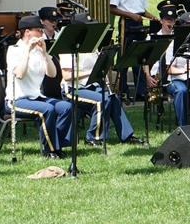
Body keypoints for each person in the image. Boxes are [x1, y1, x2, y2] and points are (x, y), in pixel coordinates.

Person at [58, 14, 141, 146]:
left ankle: (127, 136)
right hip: (73, 89)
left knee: (113, 98)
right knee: (102, 100)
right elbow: (67, 75)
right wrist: (91, 73)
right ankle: (93, 137)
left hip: (90, 86)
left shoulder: (92, 45)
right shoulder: (69, 47)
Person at [5, 15, 73, 159]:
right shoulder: (14, 50)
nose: (42, 34)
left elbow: (53, 74)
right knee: (47, 110)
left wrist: (45, 54)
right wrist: (28, 52)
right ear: (27, 32)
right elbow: (20, 74)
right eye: (39, 30)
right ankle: (50, 150)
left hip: (36, 97)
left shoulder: (39, 51)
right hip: (16, 100)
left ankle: (58, 145)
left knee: (66, 107)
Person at [145, 5, 190, 127]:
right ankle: (183, 125)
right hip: (177, 79)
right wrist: (183, 70)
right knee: (181, 90)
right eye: (188, 25)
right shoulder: (174, 42)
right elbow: (167, 69)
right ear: (182, 26)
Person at [109, 0, 158, 101]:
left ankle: (140, 91)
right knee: (125, 55)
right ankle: (122, 90)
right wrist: (130, 14)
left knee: (140, 56)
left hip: (139, 23)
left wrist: (152, 17)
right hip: (127, 22)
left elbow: (142, 9)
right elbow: (112, 8)